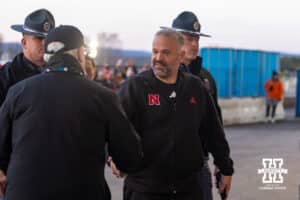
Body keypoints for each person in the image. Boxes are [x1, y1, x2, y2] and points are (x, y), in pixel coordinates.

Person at [0, 25, 143, 200]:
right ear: (80, 54)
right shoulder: (103, 97)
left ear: (47, 55)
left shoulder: (18, 92)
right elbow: (130, 157)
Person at [116, 29, 233, 200]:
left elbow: (213, 132)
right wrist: (111, 156)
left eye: (166, 53)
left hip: (189, 189)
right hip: (144, 190)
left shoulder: (196, 87)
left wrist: (225, 167)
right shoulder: (135, 87)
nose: (158, 58)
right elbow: (113, 128)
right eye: (155, 52)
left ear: (181, 55)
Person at [161, 11, 222, 200]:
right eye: (189, 39)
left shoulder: (206, 79)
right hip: (163, 168)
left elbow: (215, 124)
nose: (194, 44)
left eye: (196, 40)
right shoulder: (158, 76)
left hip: (198, 167)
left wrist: (221, 162)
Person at [0, 9, 55, 106]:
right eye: (39, 38)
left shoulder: (59, 73)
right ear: (24, 43)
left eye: (48, 39)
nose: (44, 43)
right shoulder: (5, 77)